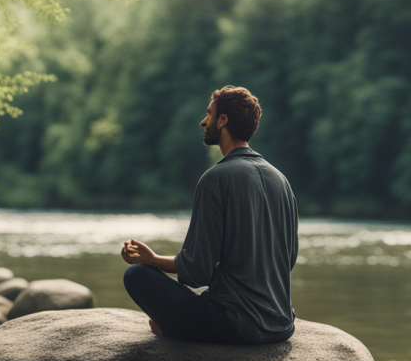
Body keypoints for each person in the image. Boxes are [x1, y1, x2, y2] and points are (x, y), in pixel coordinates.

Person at [121, 85, 298, 344]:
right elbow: (288, 259)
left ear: (223, 121)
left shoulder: (215, 179)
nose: (203, 121)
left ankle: (171, 327)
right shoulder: (281, 181)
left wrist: (151, 259)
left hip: (237, 325)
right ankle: (173, 322)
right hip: (282, 324)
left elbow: (197, 271)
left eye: (209, 114)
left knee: (136, 275)